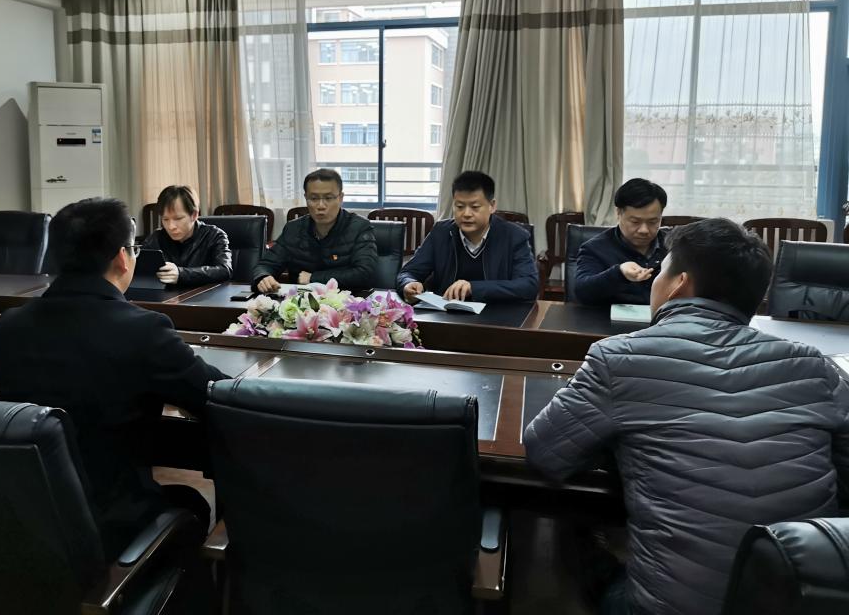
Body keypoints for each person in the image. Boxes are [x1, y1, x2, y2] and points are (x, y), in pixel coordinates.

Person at [523, 218, 849, 615]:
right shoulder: (815, 366)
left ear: (678, 283)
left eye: (661, 270)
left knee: (572, 525)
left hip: (668, 607)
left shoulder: (620, 357)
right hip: (803, 600)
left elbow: (546, 453)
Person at [0, 198, 229, 555]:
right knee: (191, 502)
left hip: (28, 518)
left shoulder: (9, 326)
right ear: (122, 258)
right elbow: (215, 393)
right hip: (112, 523)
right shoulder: (143, 330)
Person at [396, 171, 537, 303]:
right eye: (459, 206)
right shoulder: (441, 232)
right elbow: (408, 272)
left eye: (475, 207)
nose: (466, 214)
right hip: (446, 315)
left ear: (492, 206)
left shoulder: (514, 236)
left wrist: (473, 288)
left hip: (496, 315)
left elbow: (529, 285)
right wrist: (408, 283)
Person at [252, 168, 378, 293]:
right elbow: (266, 265)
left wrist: (313, 278)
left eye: (328, 198)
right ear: (306, 198)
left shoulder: (359, 227)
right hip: (301, 302)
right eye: (314, 198)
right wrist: (263, 277)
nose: (321, 206)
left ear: (340, 198)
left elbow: (365, 274)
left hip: (347, 301)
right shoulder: (293, 229)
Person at [574, 178, 668, 305]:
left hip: (667, 316)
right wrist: (620, 273)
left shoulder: (676, 246)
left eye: (653, 222)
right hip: (611, 317)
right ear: (618, 213)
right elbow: (582, 291)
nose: (644, 230)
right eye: (635, 222)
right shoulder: (595, 249)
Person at [143, 185, 232, 285]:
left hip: (203, 294)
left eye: (178, 219)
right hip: (166, 294)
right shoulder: (156, 238)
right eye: (165, 219)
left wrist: (181, 274)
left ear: (194, 215)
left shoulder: (214, 235)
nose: (171, 226)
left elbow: (225, 270)